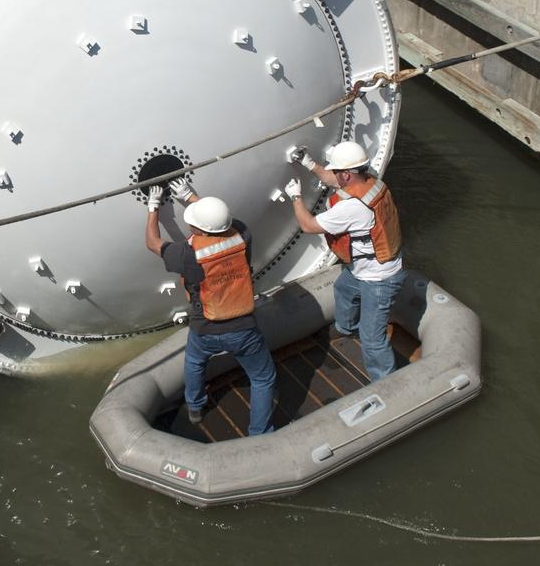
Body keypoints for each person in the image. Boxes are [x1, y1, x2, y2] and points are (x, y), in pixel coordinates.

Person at [144, 179, 277, 436]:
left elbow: (153, 242)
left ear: (197, 227)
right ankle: (260, 434)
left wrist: (153, 207)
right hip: (243, 329)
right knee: (262, 379)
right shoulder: (243, 235)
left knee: (194, 362)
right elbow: (221, 224)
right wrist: (192, 197)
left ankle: (195, 408)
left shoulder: (187, 254)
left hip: (204, 327)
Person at [284, 141, 406, 381]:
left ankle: (386, 382)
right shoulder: (371, 182)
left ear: (347, 174)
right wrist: (309, 163)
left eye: (338, 171)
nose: (335, 175)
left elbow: (308, 226)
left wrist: (296, 198)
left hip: (378, 278)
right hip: (365, 268)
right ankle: (346, 329)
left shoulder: (352, 208)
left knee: (372, 338)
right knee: (343, 289)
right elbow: (333, 180)